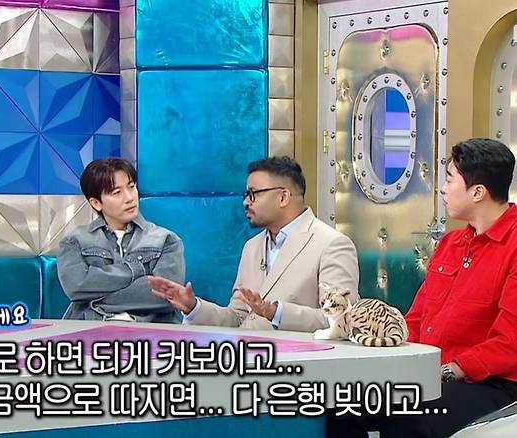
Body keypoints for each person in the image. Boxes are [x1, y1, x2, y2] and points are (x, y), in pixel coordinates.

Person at [328, 138, 517, 437]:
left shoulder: (513, 245)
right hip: (431, 373)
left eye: (450, 180)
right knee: (340, 404)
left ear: (478, 192)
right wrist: (388, 355)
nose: (443, 189)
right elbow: (416, 319)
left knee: (409, 416)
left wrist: (448, 371)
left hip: (491, 383)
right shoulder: (452, 243)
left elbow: (510, 342)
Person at [149, 156, 359, 331]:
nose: (245, 202)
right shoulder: (252, 247)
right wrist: (193, 307)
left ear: (283, 197)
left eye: (253, 194)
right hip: (247, 358)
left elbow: (341, 319)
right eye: (246, 195)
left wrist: (275, 312)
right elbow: (238, 317)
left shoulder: (332, 245)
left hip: (300, 362)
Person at [58, 157, 184, 322]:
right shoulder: (75, 241)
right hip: (91, 329)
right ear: (96, 203)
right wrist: (136, 271)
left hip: (150, 331)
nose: (129, 197)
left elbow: (166, 295)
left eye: (131, 187)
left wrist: (94, 301)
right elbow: (77, 287)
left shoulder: (166, 240)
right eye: (117, 192)